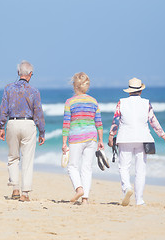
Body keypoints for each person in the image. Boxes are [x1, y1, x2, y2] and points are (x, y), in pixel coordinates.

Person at [108, 78, 165, 206]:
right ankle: (140, 200)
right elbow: (154, 122)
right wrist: (164, 138)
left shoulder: (121, 102)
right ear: (141, 90)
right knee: (140, 170)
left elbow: (115, 121)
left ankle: (127, 188)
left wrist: (111, 135)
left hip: (125, 137)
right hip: (143, 138)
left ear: (129, 91)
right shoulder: (146, 103)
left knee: (124, 167)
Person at [0, 60, 45, 202]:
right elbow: (38, 112)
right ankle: (25, 193)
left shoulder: (8, 88)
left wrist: (1, 126)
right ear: (30, 75)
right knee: (27, 159)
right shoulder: (34, 91)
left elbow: (3, 109)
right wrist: (42, 131)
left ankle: (15, 189)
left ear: (18, 73)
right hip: (28, 124)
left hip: (12, 123)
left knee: (13, 157)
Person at [62, 72, 104, 205]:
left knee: (72, 166)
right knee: (87, 168)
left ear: (74, 86)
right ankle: (85, 199)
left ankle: (79, 189)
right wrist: (101, 141)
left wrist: (64, 142)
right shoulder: (93, 101)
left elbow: (66, 123)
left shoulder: (70, 102)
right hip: (92, 137)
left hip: (76, 138)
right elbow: (99, 123)